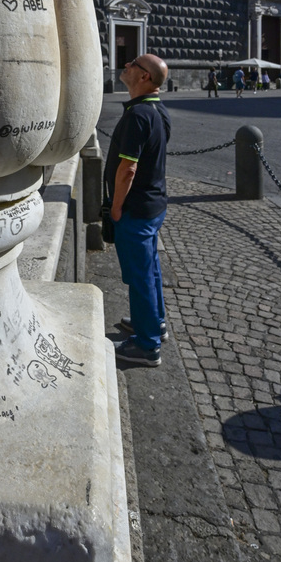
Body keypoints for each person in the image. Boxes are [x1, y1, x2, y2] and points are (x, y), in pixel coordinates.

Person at [106, 54, 171, 367]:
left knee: (140, 275)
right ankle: (154, 322)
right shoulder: (158, 110)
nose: (126, 65)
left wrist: (116, 207)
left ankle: (147, 345)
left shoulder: (137, 115)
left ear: (145, 77)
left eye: (133, 63)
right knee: (151, 269)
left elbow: (127, 169)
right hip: (154, 204)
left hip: (136, 210)